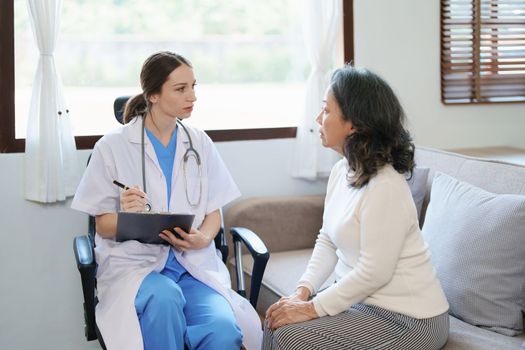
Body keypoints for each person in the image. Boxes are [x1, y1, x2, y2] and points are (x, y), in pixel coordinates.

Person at [71, 51, 262, 350]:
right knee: (164, 299)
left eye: (194, 86)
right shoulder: (112, 147)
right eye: (181, 88)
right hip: (136, 267)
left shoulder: (199, 142)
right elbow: (103, 226)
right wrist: (126, 212)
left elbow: (214, 214)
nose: (193, 96)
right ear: (154, 95)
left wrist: (204, 238)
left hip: (192, 265)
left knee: (224, 331)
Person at [264, 66, 450, 350]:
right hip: (363, 303)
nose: (318, 119)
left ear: (353, 124)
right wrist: (302, 293)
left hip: (410, 318)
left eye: (326, 111)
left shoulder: (385, 186)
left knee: (290, 336)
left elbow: (375, 272)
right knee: (278, 319)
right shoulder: (342, 172)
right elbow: (327, 239)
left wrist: (312, 309)